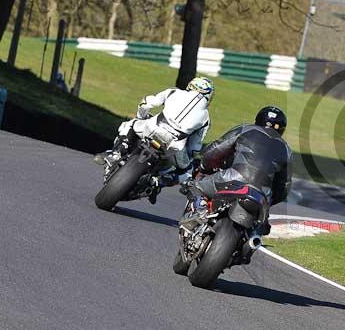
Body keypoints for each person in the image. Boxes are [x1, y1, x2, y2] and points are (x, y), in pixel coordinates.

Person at [94, 76, 214, 195]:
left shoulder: (173, 92)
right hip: (175, 145)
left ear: (191, 85)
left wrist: (140, 117)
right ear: (208, 96)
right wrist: (188, 157)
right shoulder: (206, 117)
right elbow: (194, 147)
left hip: (152, 128)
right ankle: (158, 182)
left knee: (130, 124)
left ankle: (117, 153)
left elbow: (146, 103)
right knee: (187, 172)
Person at [183, 105, 292, 237]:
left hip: (232, 179)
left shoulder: (245, 129)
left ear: (259, 119)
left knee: (196, 186)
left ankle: (200, 208)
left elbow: (216, 150)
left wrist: (203, 167)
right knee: (259, 229)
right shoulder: (286, 149)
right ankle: (249, 244)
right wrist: (269, 200)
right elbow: (284, 187)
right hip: (262, 194)